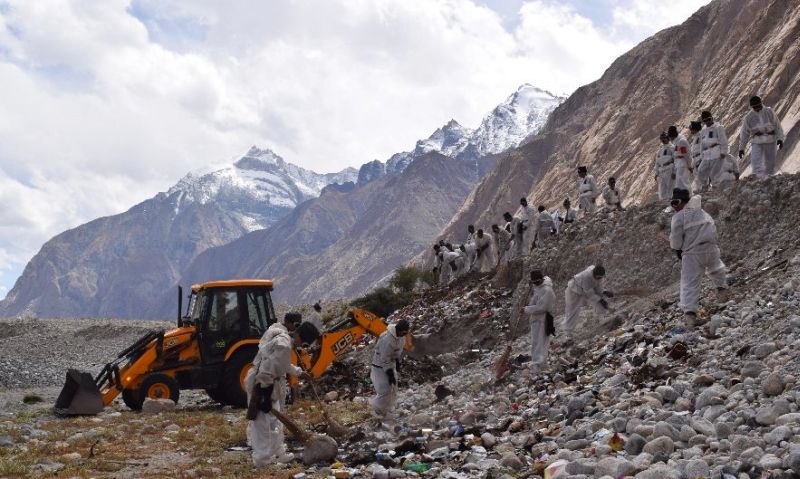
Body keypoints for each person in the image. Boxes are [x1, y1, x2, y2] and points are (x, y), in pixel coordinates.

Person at [246, 321, 318, 466]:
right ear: (298, 336)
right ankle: (262, 461)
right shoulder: (284, 345)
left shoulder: (282, 339)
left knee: (275, 422)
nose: (300, 346)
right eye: (302, 343)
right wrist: (263, 396)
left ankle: (279, 453)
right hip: (262, 385)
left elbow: (282, 364)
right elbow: (266, 370)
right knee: (262, 424)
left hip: (271, 385)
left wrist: (299, 372)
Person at [669, 188, 728, 328]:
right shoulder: (702, 212)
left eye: (676, 203)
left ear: (683, 201)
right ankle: (724, 295)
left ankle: (690, 317)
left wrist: (678, 249)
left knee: (689, 283)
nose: (675, 207)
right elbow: (712, 228)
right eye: (673, 204)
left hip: (692, 253)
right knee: (717, 270)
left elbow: (676, 241)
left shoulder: (678, 217)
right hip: (711, 248)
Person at [369, 319, 410, 420]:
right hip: (379, 367)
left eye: (406, 333)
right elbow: (384, 359)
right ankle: (373, 408)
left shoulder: (401, 337)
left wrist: (397, 362)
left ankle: (387, 409)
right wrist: (389, 373)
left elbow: (397, 351)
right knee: (385, 390)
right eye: (403, 332)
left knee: (393, 389)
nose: (404, 334)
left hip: (390, 364)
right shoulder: (387, 339)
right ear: (398, 329)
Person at [739, 95, 785, 178]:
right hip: (757, 142)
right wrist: (741, 148)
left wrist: (780, 139)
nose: (757, 108)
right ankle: (758, 180)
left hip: (771, 140)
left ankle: (768, 181)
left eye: (758, 106)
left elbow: (777, 126)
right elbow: (744, 134)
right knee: (756, 161)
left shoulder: (769, 111)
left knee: (770, 163)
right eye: (755, 107)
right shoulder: (748, 117)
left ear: (761, 103)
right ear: (752, 107)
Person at [562, 265, 612, 339]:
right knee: (572, 311)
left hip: (583, 290)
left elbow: (599, 288)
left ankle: (601, 317)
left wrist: (605, 292)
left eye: (600, 277)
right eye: (598, 277)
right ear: (594, 274)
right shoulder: (586, 276)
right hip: (573, 290)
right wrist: (601, 300)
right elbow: (590, 294)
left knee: (601, 297)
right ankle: (567, 333)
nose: (599, 279)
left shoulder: (599, 276)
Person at [522, 270, 555, 375]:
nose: (535, 284)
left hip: (542, 318)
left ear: (541, 280)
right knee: (538, 341)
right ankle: (541, 363)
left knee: (539, 342)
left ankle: (537, 363)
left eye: (536, 282)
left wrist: (526, 309)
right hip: (537, 318)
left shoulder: (546, 290)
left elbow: (541, 307)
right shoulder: (538, 287)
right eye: (533, 282)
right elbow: (535, 300)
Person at [699, 110, 728, 190]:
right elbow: (702, 144)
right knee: (701, 171)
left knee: (715, 173)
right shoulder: (703, 130)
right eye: (705, 121)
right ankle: (705, 186)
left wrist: (723, 152)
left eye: (708, 119)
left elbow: (723, 141)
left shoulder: (718, 127)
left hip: (716, 153)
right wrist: (702, 155)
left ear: (712, 118)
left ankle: (716, 189)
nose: (707, 122)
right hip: (707, 154)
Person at [668, 125, 693, 193]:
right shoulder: (677, 142)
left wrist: (689, 165)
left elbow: (686, 154)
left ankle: (688, 196)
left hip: (683, 163)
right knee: (679, 182)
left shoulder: (681, 141)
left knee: (683, 181)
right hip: (678, 164)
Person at [654, 131, 675, 201]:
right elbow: (657, 162)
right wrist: (656, 173)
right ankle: (664, 201)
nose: (663, 140)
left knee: (670, 186)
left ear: (668, 138)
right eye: (661, 138)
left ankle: (671, 201)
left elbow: (676, 160)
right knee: (662, 187)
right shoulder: (660, 150)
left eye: (664, 138)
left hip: (669, 169)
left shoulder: (672, 148)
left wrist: (674, 171)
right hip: (661, 170)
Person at [689, 121, 708, 192]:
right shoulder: (695, 138)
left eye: (691, 129)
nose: (690, 131)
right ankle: (700, 191)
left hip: (700, 158)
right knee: (697, 176)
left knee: (702, 175)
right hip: (695, 159)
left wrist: (702, 158)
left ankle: (705, 190)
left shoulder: (701, 136)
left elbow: (704, 147)